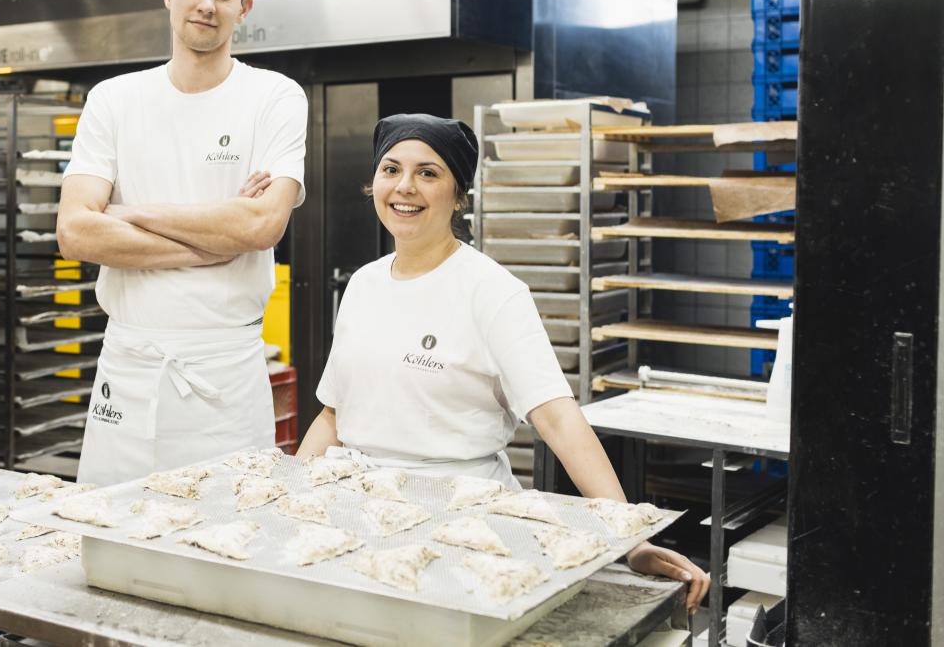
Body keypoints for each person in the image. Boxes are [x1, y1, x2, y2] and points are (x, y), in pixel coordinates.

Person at [297, 113, 710, 612]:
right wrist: (293, 494)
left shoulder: (491, 291)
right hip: (361, 509)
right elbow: (334, 414)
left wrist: (628, 537)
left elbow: (557, 418)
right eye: (391, 169)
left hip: (459, 516)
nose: (405, 187)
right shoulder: (363, 284)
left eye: (428, 173)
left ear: (458, 196)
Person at [57, 0, 307, 486]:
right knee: (109, 541)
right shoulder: (113, 99)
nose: (206, 4)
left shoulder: (275, 97)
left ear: (244, 9)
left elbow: (262, 224)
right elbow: (75, 233)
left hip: (225, 373)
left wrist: (126, 214)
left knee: (228, 545)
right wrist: (211, 241)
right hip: (129, 364)